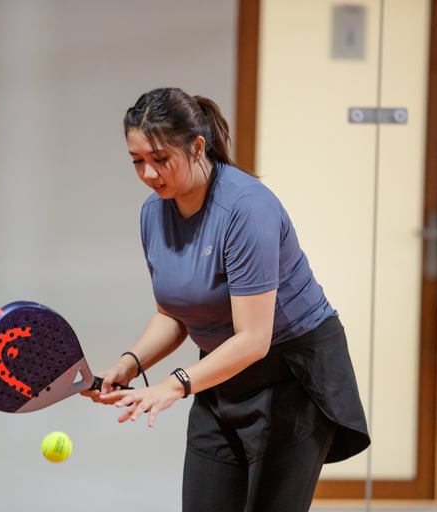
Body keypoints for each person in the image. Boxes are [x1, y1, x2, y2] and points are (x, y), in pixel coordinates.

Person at [82, 87, 370, 511]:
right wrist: (129, 365)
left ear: (198, 147)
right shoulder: (153, 213)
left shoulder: (247, 209)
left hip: (291, 375)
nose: (148, 173)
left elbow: (254, 339)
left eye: (160, 159)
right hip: (221, 378)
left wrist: (173, 386)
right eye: (138, 161)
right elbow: (173, 314)